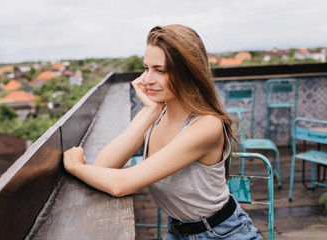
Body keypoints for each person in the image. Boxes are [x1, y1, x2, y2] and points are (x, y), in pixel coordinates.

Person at [63, 24, 262, 239]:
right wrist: (150, 112)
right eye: (146, 68)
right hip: (178, 230)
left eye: (160, 70)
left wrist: (74, 166)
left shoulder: (206, 126)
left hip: (222, 233)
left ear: (188, 73)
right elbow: (104, 166)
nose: (147, 80)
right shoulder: (154, 113)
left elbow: (120, 185)